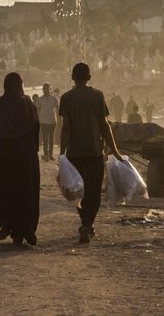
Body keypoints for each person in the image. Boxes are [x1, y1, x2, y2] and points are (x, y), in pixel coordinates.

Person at [60, 63, 124, 243]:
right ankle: (88, 224)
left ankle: (85, 223)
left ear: (72, 77)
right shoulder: (97, 95)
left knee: (79, 189)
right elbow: (105, 126)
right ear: (89, 77)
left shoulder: (66, 98)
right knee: (94, 190)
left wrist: (62, 153)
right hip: (94, 151)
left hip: (74, 153)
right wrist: (115, 151)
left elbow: (65, 129)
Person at [0, 72, 40, 246]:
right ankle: (26, 229)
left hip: (3, 157)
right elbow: (36, 130)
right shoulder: (28, 104)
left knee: (2, 191)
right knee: (26, 193)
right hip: (26, 157)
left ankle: (8, 223)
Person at [36, 83, 59, 161]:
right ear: (43, 89)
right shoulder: (39, 99)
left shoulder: (54, 99)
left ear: (50, 89)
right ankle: (46, 155)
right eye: (44, 89)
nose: (46, 90)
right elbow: (38, 110)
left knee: (51, 139)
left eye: (47, 88)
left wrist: (59, 119)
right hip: (43, 121)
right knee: (45, 139)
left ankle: (50, 155)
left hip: (52, 121)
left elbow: (58, 108)